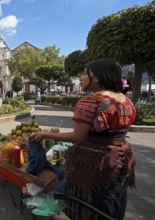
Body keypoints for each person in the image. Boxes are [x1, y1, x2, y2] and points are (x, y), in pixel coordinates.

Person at [31, 58, 136, 220]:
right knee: (110, 200)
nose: (81, 77)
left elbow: (77, 137)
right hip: (121, 158)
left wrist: (45, 134)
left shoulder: (90, 101)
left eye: (85, 73)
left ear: (98, 78)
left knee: (86, 204)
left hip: (94, 163)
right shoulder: (125, 100)